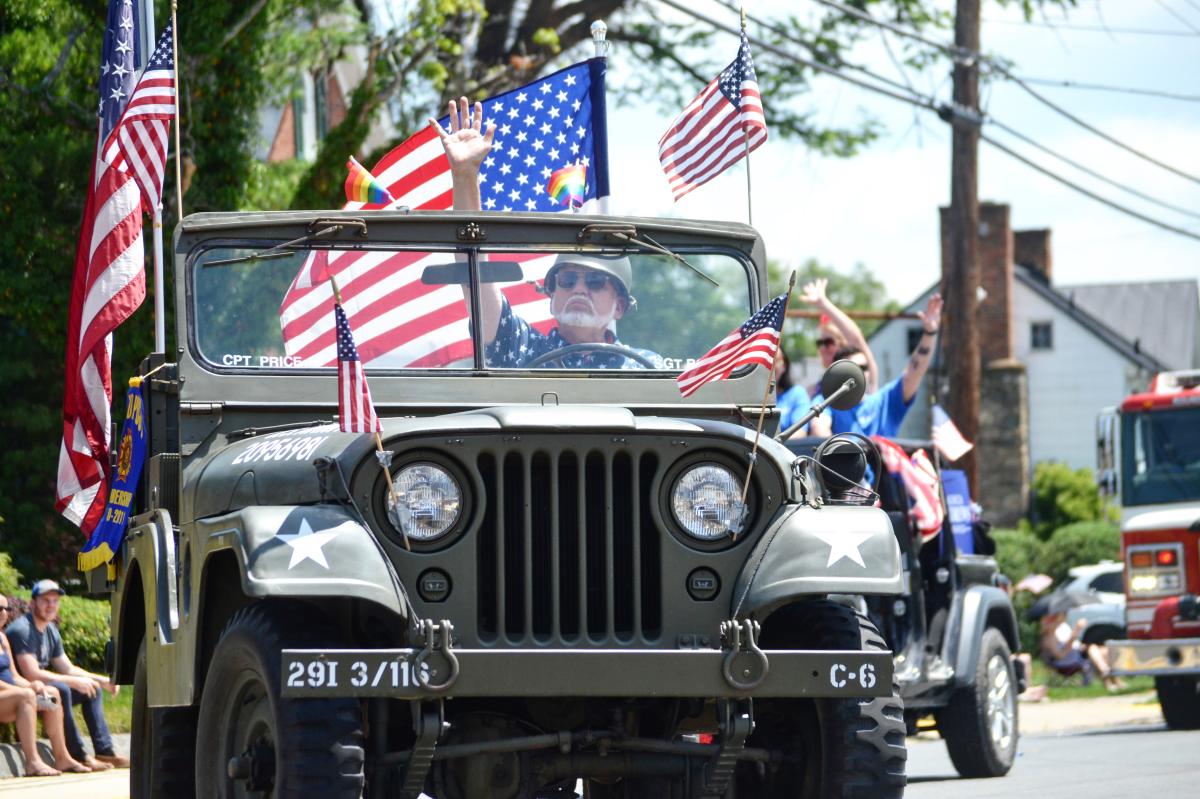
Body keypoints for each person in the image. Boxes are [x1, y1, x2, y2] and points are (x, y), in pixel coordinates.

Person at [431, 97, 662, 370]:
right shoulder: (522, 349)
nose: (579, 289)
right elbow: (475, 276)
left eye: (596, 282)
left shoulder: (646, 367)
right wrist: (465, 175)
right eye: (566, 280)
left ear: (619, 306)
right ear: (552, 296)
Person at [7, 580, 127, 770]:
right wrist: (73, 682)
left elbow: (67, 668)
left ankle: (105, 751)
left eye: (55, 601)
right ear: (33, 603)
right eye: (46, 600)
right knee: (63, 690)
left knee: (92, 690)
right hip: (30, 698)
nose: (51, 605)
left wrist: (100, 680)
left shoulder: (50, 630)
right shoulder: (23, 630)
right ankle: (78, 755)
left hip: (45, 695)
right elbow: (31, 673)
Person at [808, 292, 944, 439]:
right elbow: (819, 426)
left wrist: (930, 332)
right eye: (853, 369)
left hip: (882, 462)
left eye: (864, 368)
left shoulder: (885, 400)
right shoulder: (827, 402)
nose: (860, 373)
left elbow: (914, 372)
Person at [0, 595, 92, 776]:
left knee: (52, 693)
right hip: (10, 697)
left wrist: (33, 684)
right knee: (26, 696)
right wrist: (24, 690)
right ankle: (33, 762)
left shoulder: (2, 638)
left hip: (13, 696)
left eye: (6, 609)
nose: (3, 613)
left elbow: (15, 675)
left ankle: (62, 756)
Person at [802, 278, 879, 394]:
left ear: (844, 345)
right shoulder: (813, 391)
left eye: (828, 342)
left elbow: (856, 339)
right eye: (820, 343)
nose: (823, 348)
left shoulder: (862, 381)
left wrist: (823, 304)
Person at [1039, 610, 1124, 692]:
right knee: (1092, 648)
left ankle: (1111, 677)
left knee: (1104, 650)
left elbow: (1069, 645)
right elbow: (1060, 655)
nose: (1065, 615)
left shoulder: (1063, 627)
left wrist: (1078, 644)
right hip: (1067, 661)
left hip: (1077, 654)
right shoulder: (1049, 636)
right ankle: (1107, 677)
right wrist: (1076, 632)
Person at [775, 346, 810, 431]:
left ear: (784, 365)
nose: (770, 366)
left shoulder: (797, 394)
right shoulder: (749, 398)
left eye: (775, 360)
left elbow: (799, 432)